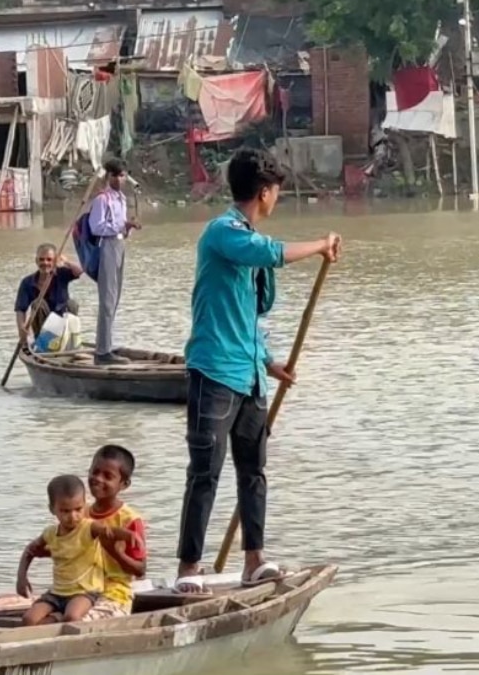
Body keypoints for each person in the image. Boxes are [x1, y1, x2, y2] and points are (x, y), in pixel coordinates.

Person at [175, 148, 342, 591]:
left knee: (254, 471)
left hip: (248, 375)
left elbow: (249, 314)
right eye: (276, 194)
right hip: (213, 372)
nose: (275, 201)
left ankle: (254, 559)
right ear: (265, 192)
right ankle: (189, 570)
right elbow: (274, 253)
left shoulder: (248, 245)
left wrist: (269, 363)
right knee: (205, 473)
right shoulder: (224, 233)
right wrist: (322, 246)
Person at [16, 475, 140, 625]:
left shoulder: (88, 527)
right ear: (52, 509)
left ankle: (59, 618)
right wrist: (21, 578)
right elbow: (30, 551)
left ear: (84, 505)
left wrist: (129, 535)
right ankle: (56, 617)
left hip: (84, 592)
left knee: (72, 618)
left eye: (78, 509)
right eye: (65, 511)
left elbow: (109, 531)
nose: (73, 516)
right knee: (28, 619)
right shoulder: (50, 533)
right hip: (57, 593)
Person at [87, 158, 140, 365]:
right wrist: (120, 226)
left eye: (123, 175)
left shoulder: (121, 199)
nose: (120, 179)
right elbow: (96, 227)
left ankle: (107, 344)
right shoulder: (102, 199)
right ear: (108, 176)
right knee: (107, 300)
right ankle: (102, 352)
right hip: (106, 246)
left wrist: (128, 227)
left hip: (119, 245)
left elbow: (120, 227)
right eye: (116, 175)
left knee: (115, 298)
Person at [85, 445, 147, 620]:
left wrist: (115, 552)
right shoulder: (80, 514)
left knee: (81, 622)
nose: (97, 479)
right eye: (94, 472)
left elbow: (140, 569)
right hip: (81, 589)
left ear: (124, 484)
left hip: (115, 594)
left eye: (108, 476)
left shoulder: (129, 520)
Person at [15, 243, 83, 349]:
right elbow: (20, 309)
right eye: (41, 259)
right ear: (36, 261)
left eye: (49, 259)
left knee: (72, 304)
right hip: (43, 329)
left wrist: (65, 261)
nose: (45, 263)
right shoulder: (27, 282)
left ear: (54, 261)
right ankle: (44, 346)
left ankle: (71, 344)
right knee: (38, 304)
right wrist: (21, 328)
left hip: (62, 325)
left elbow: (79, 271)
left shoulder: (61, 274)